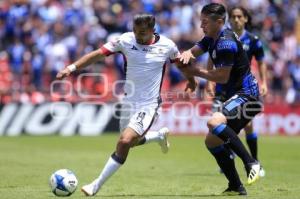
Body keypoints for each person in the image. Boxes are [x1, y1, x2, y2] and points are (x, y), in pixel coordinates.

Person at [56, 14, 190, 196]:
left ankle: (96, 184)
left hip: (148, 105)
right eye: (135, 31)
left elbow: (181, 65)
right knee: (130, 143)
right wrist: (71, 68)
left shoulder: (167, 45)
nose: (137, 35)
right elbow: (97, 55)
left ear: (152, 30)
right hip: (128, 102)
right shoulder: (125, 40)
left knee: (124, 141)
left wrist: (192, 80)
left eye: (142, 32)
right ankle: (158, 136)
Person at [179, 3, 262, 195]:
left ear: (219, 22)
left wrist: (195, 72)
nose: (201, 26)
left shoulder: (226, 42)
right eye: (201, 21)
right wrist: (184, 55)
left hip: (247, 95)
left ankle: (251, 162)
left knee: (214, 121)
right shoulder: (211, 38)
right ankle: (235, 185)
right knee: (212, 141)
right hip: (237, 95)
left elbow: (222, 77)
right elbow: (193, 51)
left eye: (205, 22)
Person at [207, 6, 268, 177]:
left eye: (239, 16)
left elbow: (262, 62)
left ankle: (254, 161)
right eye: (233, 16)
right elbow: (211, 59)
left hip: (242, 89)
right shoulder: (221, 37)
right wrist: (210, 82)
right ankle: (231, 160)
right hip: (222, 89)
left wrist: (264, 82)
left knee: (247, 125)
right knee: (218, 125)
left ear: (246, 19)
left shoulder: (253, 40)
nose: (236, 19)